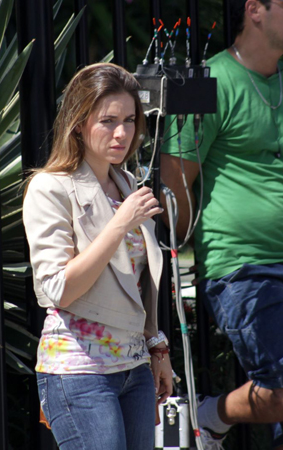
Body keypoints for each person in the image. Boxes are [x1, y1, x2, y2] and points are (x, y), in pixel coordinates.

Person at [23, 63, 173, 450]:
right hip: (77, 371)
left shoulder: (126, 185)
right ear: (78, 123)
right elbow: (60, 289)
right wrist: (119, 224)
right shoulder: (50, 188)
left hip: (134, 369)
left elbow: (137, 287)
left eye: (129, 120)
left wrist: (157, 347)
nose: (122, 132)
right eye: (107, 121)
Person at [161, 1, 283, 447]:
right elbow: (174, 183)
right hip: (244, 268)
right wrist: (183, 251)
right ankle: (210, 416)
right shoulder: (205, 81)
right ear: (255, 10)